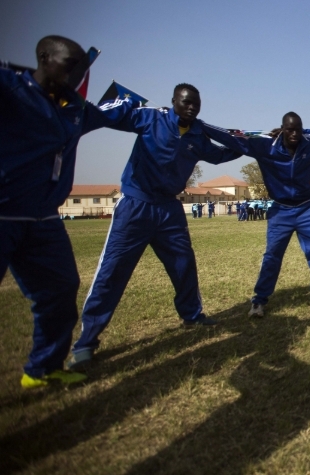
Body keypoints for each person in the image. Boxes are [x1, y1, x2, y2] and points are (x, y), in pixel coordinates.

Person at [69, 83, 240, 370]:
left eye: (196, 104)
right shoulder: (152, 118)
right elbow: (115, 117)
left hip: (169, 210)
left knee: (184, 264)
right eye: (186, 102)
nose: (191, 108)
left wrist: (249, 145)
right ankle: (86, 342)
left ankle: (192, 315)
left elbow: (220, 154)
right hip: (135, 205)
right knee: (112, 271)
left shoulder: (198, 135)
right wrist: (111, 106)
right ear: (173, 101)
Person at [0, 35, 138, 388]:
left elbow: (118, 114)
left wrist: (159, 116)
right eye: (68, 63)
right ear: (43, 58)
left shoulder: (75, 109)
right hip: (4, 214)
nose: (76, 72)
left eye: (81, 67)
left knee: (61, 289)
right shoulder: (12, 90)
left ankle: (43, 368)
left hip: (44, 219)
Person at [203, 113, 310, 316]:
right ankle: (259, 300)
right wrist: (202, 126)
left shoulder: (309, 144)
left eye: (298, 129)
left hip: (307, 207)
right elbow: (233, 138)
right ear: (282, 129)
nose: (294, 134)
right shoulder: (265, 145)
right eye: (290, 129)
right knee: (272, 255)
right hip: (280, 210)